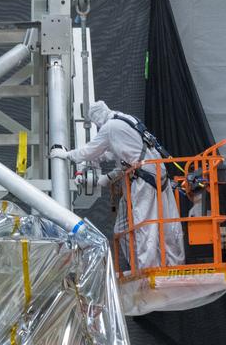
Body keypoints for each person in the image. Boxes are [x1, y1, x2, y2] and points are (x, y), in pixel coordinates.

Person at [53, 100, 184, 273]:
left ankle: (147, 271)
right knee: (157, 225)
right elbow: (116, 154)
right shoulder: (127, 119)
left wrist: (67, 155)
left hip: (144, 178)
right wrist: (103, 178)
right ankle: (168, 265)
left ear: (96, 118)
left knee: (145, 226)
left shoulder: (109, 128)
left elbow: (90, 151)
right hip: (157, 172)